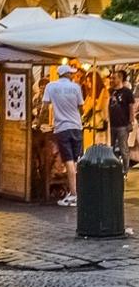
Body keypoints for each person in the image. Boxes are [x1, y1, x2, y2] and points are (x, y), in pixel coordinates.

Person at [40, 64, 85, 207]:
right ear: (67, 74)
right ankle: (77, 190)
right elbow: (81, 108)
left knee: (69, 161)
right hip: (77, 126)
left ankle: (73, 194)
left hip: (62, 128)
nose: (72, 75)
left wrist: (39, 120)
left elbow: (44, 107)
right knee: (76, 160)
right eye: (71, 73)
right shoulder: (76, 87)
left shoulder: (50, 87)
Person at [108, 69, 136, 175]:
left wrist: (131, 121)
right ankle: (114, 168)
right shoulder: (110, 91)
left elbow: (131, 107)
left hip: (123, 125)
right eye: (111, 78)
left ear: (120, 78)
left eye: (114, 78)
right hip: (112, 125)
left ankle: (125, 170)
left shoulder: (127, 92)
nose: (112, 80)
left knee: (123, 147)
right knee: (112, 148)